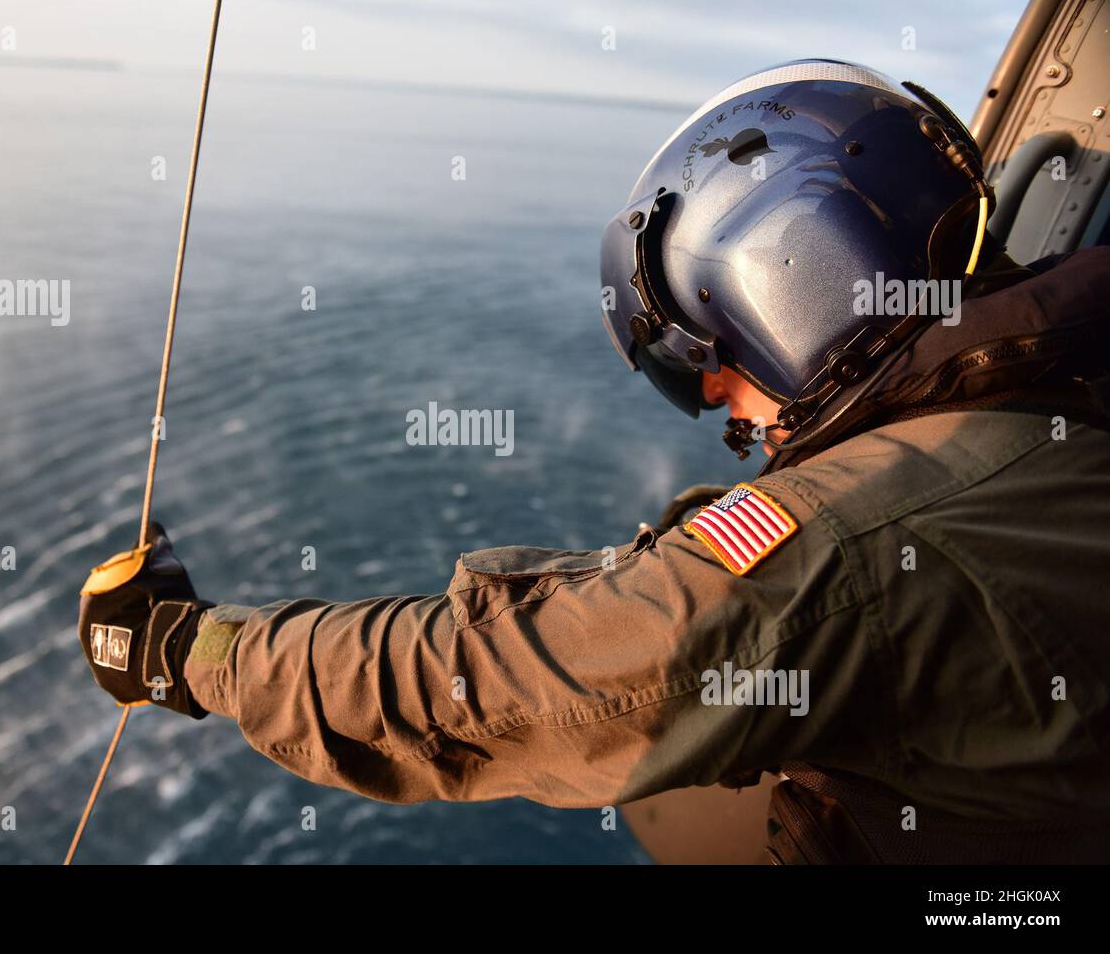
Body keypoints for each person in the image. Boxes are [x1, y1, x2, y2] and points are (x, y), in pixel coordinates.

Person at [77, 60, 1110, 863]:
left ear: (792, 275)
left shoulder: (861, 536)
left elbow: (494, 685)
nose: (719, 398)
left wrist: (187, 652)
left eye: (711, 355)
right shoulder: (1054, 411)